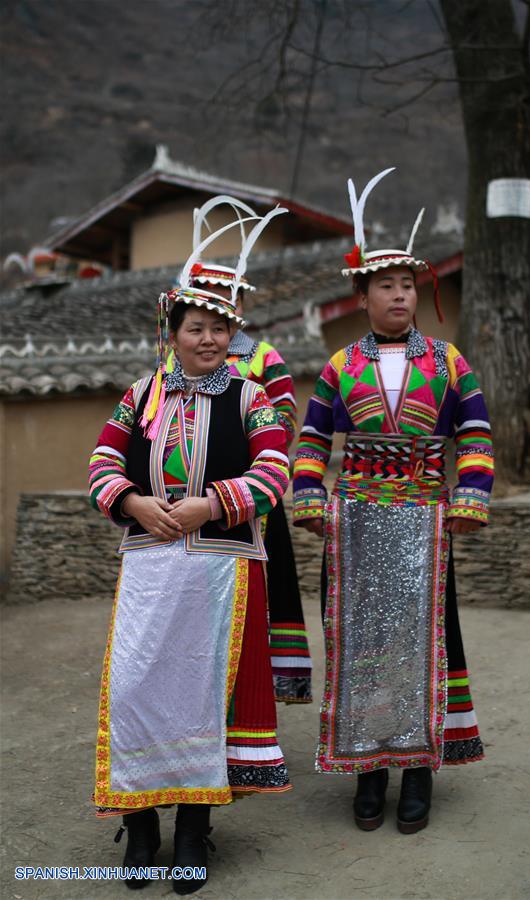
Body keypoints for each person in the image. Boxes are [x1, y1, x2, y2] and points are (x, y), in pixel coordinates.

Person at [88, 205, 291, 893]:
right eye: (196, 328)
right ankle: (141, 820)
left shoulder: (251, 396)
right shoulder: (139, 395)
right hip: (149, 563)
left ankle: (195, 829)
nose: (209, 339)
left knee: (208, 696)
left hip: (221, 567)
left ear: (234, 333)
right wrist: (132, 502)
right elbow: (101, 464)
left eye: (220, 327)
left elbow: (275, 472)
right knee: (140, 685)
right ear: (171, 332)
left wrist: (213, 502)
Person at [293, 168, 494, 834]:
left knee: (424, 642)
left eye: (408, 285)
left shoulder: (449, 361)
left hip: (422, 522)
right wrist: (310, 497)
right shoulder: (339, 367)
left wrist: (470, 491)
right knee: (364, 645)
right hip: (354, 525)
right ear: (364, 295)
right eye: (387, 285)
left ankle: (418, 773)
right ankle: (368, 770)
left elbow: (474, 431)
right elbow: (313, 439)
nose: (400, 294)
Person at [171, 196, 312, 704]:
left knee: (254, 600)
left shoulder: (264, 360)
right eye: (205, 295)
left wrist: (239, 480)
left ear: (238, 308)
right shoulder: (170, 366)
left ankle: (252, 699)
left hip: (249, 504)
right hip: (180, 507)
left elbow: (283, 424)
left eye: (224, 297)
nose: (214, 304)